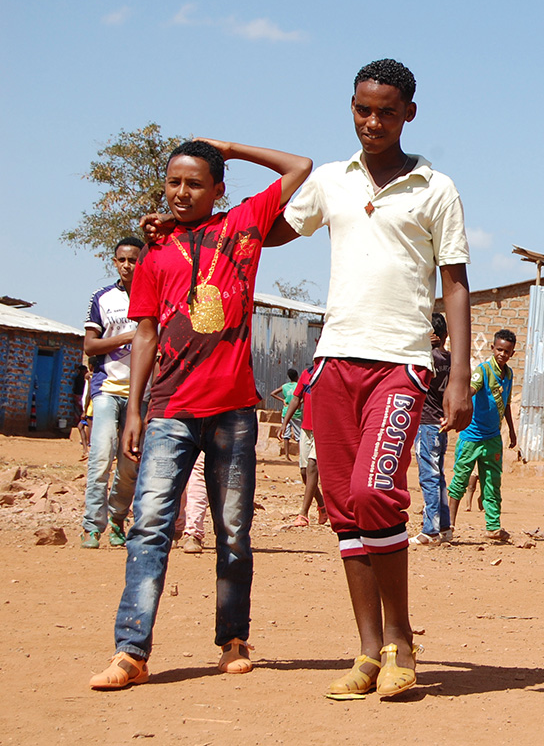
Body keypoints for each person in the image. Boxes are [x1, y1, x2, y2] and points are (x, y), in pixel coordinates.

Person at [271, 59, 472, 700]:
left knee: (374, 492)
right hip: (334, 361)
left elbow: (455, 283)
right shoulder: (331, 180)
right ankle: (366, 651)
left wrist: (458, 374)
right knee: (343, 510)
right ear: (350, 107)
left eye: (386, 110)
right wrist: (199, 229)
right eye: (362, 109)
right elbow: (266, 233)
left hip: (401, 362)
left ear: (409, 113)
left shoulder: (435, 188)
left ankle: (403, 640)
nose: (372, 121)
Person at [88, 139, 312, 690]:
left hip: (233, 411)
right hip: (169, 410)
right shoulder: (156, 254)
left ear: (218, 188)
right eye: (173, 183)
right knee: (149, 528)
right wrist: (135, 407)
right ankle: (131, 650)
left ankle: (233, 639)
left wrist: (227, 146)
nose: (181, 192)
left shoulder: (243, 226)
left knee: (233, 530)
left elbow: (299, 167)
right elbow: (144, 333)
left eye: (194, 183)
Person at [80, 237, 145, 549]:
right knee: (101, 456)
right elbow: (90, 345)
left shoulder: (154, 296)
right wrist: (130, 336)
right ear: (115, 262)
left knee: (130, 462)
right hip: (107, 388)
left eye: (134, 260)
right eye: (122, 260)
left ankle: (118, 518)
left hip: (142, 393)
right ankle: (92, 525)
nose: (128, 266)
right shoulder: (103, 298)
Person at [447, 329, 518, 541]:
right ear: (492, 349)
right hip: (472, 436)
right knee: (460, 479)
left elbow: (505, 404)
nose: (502, 354)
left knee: (492, 482)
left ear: (512, 353)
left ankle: (493, 527)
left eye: (507, 351)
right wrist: (458, 401)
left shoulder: (510, 374)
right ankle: (449, 524)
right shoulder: (483, 370)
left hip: (493, 438)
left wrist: (512, 432)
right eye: (499, 350)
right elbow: (473, 388)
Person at [414, 313, 453, 545]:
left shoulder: (427, 359)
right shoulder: (450, 359)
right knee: (438, 476)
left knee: (428, 476)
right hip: (440, 422)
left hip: (426, 422)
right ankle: (445, 527)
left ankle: (430, 530)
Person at [282, 362, 326, 527]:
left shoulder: (331, 373)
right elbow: (295, 398)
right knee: (303, 471)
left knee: (312, 466)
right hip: (306, 430)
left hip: (323, 430)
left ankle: (303, 513)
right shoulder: (306, 374)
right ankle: (322, 505)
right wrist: (285, 422)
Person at [270, 368, 301, 461]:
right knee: (299, 435)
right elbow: (303, 396)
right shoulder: (298, 386)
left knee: (286, 434)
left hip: (285, 412)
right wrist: (300, 402)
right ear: (297, 376)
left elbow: (272, 393)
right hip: (296, 413)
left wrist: (283, 400)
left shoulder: (285, 386)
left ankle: (287, 455)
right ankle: (301, 456)